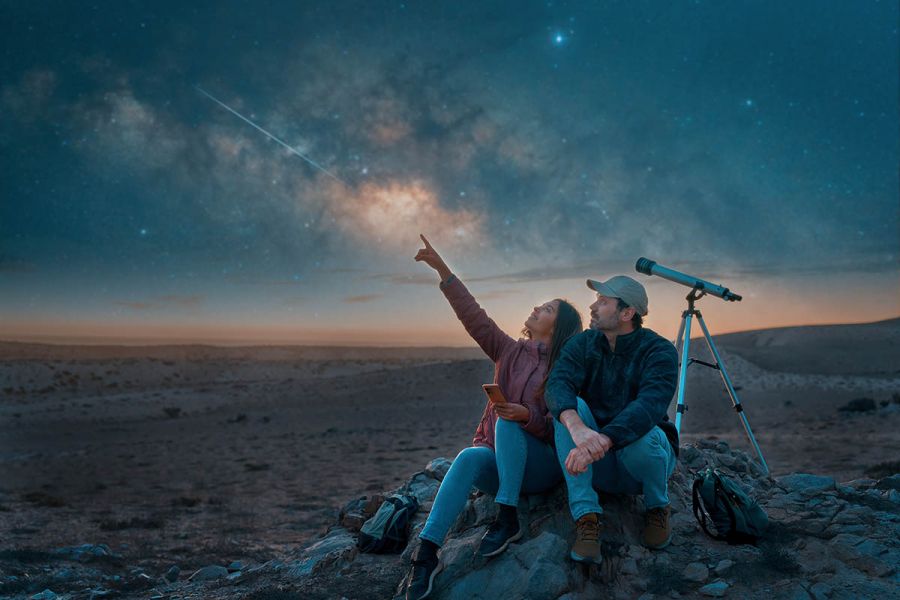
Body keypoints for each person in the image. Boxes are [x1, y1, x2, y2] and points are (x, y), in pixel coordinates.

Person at [405, 234, 583, 600]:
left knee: (507, 420)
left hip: (540, 468)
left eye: (547, 309)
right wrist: (443, 269)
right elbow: (472, 314)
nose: (537, 308)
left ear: (559, 326)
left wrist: (527, 417)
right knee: (470, 455)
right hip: (499, 462)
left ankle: (507, 517)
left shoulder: (566, 369)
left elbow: (566, 429)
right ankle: (425, 555)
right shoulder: (507, 350)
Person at [545, 275, 679, 565]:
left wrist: (602, 439)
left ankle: (657, 506)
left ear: (627, 313)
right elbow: (558, 383)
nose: (593, 307)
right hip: (598, 461)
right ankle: (587, 518)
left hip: (641, 465)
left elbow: (649, 405)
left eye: (603, 302)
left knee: (645, 434)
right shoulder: (583, 344)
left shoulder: (659, 350)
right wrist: (577, 428)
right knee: (569, 408)